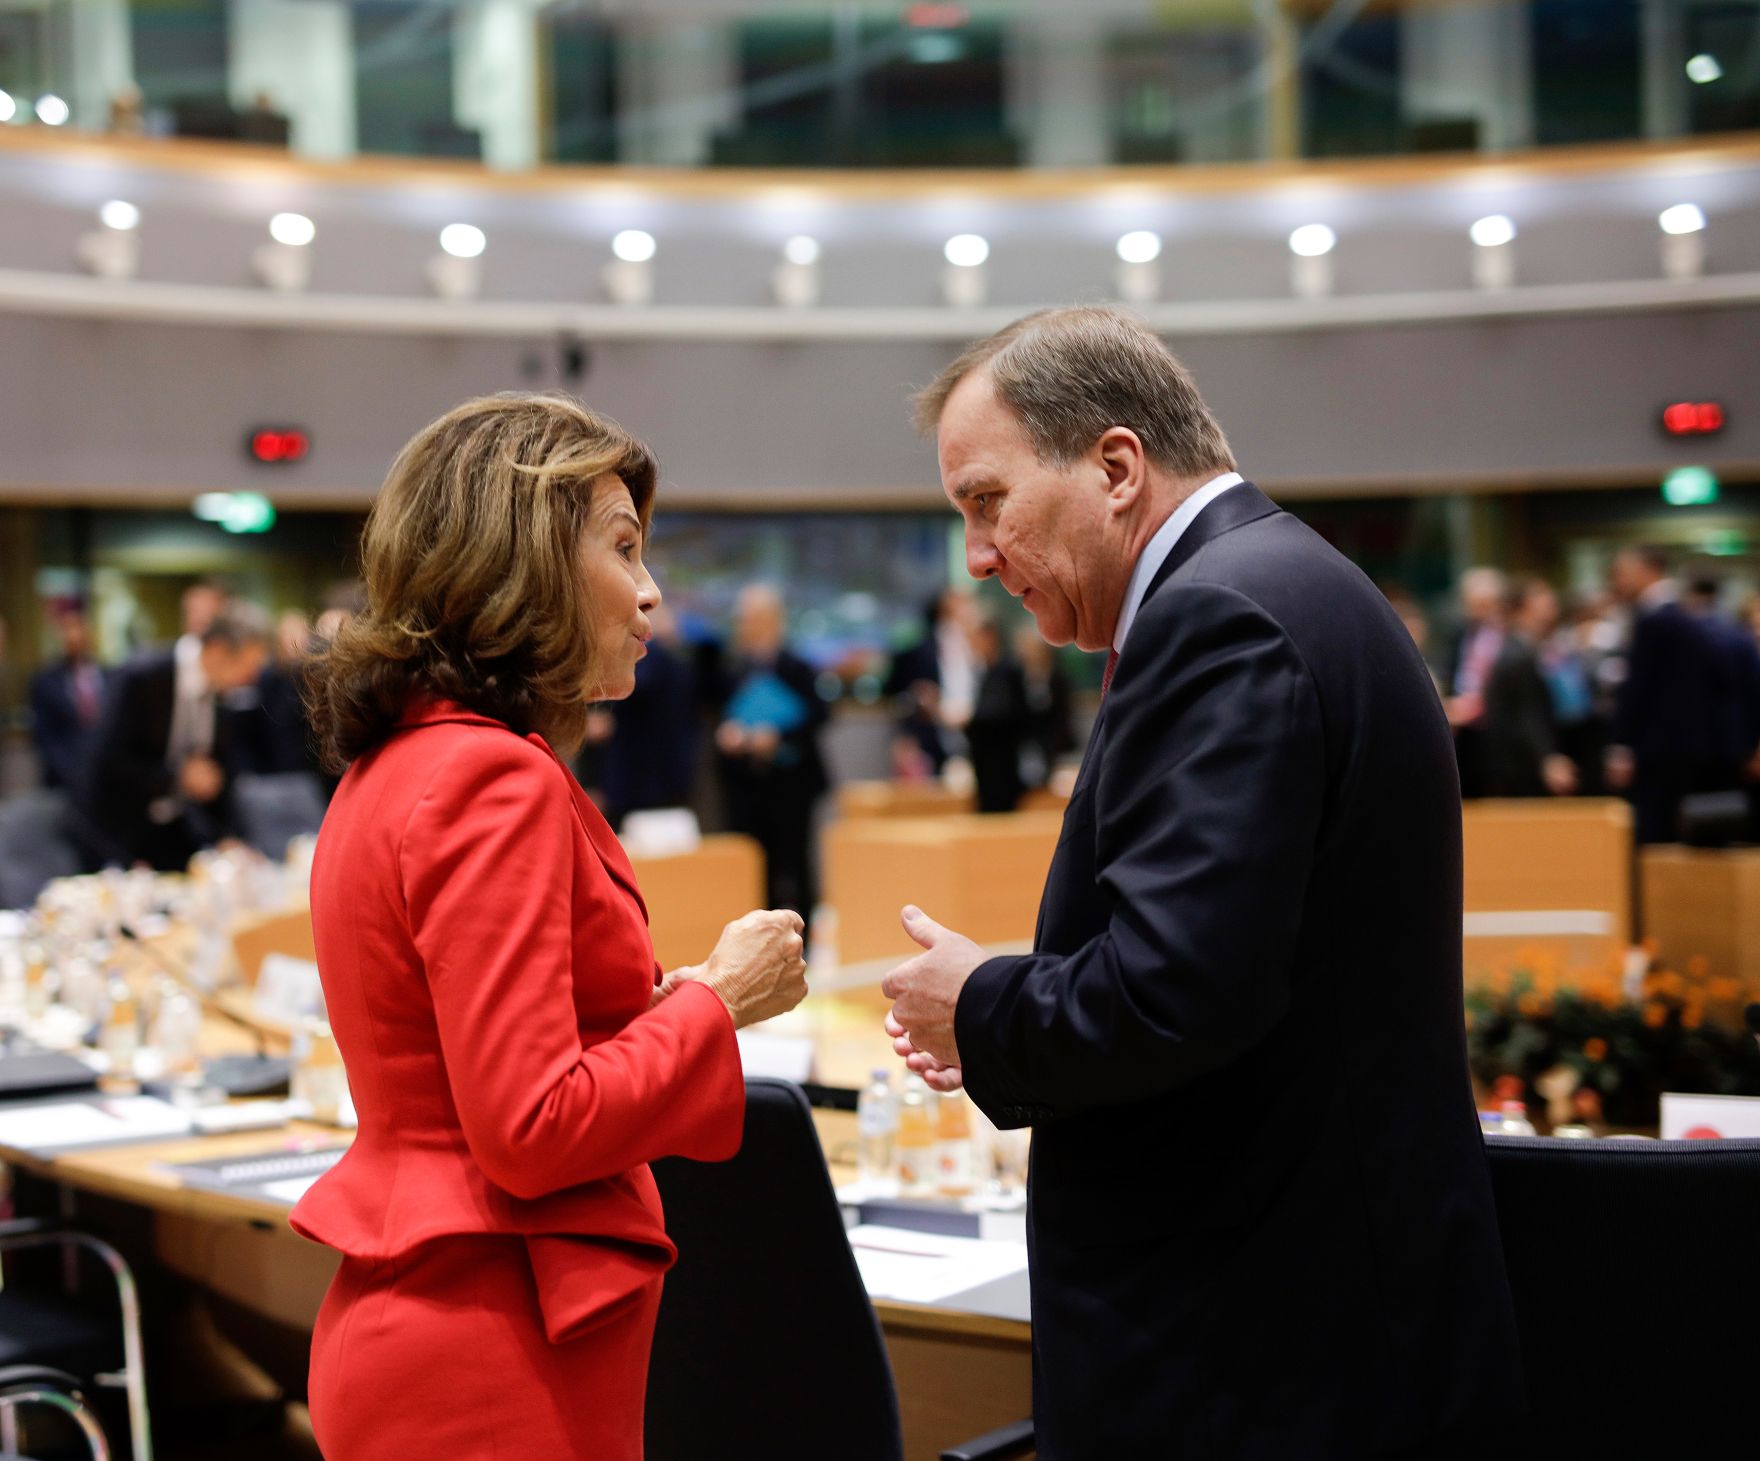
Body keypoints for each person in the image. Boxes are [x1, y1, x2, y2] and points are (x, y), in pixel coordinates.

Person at [881, 307, 1521, 1457]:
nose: (977, 557)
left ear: (1116, 467)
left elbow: (1176, 994)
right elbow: (1243, 960)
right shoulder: (1285, 581)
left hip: (1255, 1349)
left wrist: (978, 1004)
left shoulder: (1218, 614)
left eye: (986, 502)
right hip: (1314, 1312)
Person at [292, 394, 808, 1460]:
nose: (651, 593)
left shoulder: (398, 763)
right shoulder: (492, 777)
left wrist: (644, 1021)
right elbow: (531, 1129)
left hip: (438, 1320)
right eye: (624, 549)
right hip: (490, 1344)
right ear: (522, 564)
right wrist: (720, 998)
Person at [78, 601, 271, 871]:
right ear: (216, 652)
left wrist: (229, 837)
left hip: (173, 831)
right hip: (115, 833)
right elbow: (106, 758)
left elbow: (220, 771)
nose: (249, 680)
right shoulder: (142, 675)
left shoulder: (221, 691)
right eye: (247, 668)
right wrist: (177, 776)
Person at [715, 584, 829, 915]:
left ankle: (802, 937)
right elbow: (724, 714)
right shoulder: (734, 669)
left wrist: (777, 734)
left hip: (792, 785)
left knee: (795, 863)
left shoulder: (797, 667)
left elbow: (819, 716)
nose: (745, 624)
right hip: (748, 786)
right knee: (753, 866)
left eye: (752, 617)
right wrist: (730, 736)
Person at [1605, 547, 1731, 843]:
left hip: (1659, 750)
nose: (1618, 581)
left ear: (1648, 569)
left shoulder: (1655, 620)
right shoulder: (1686, 614)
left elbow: (1641, 689)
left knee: (1656, 832)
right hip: (1684, 745)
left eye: (1623, 573)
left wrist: (1623, 745)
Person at [1481, 578, 1577, 798]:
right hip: (1520, 768)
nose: (1550, 601)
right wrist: (1546, 758)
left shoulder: (1525, 648)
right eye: (1540, 597)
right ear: (1520, 609)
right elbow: (1527, 713)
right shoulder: (1517, 654)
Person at [28, 603, 109, 791]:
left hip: (104, 779)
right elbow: (44, 737)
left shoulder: (109, 675)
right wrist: (73, 774)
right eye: (67, 629)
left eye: (79, 627)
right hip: (63, 781)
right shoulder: (45, 681)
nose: (74, 635)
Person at [1443, 566, 1505, 798]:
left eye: (1483, 604)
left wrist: (1474, 705)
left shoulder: (1509, 637)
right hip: (1464, 734)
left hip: (1496, 734)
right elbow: (1452, 672)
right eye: (1472, 604)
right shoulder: (1459, 633)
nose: (1477, 611)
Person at [964, 614, 1030, 813]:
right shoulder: (988, 670)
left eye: (974, 637)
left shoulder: (1008, 668)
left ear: (989, 636)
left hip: (1002, 769)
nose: (971, 643)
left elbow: (1005, 713)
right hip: (986, 768)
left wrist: (968, 718)